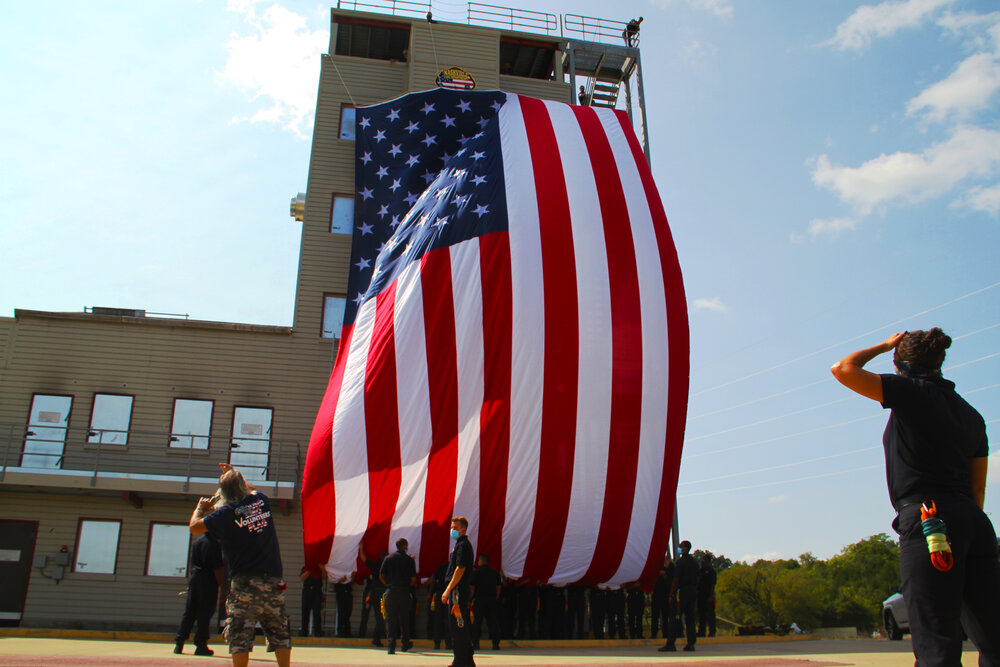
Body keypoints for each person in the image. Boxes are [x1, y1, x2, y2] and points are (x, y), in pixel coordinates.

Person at [831, 329, 999, 664]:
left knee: (936, 640)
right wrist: (964, 531)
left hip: (928, 520)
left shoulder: (909, 391)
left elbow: (843, 369)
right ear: (941, 362)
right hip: (975, 523)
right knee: (993, 636)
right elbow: (977, 487)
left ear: (898, 363)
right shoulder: (972, 415)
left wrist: (883, 344)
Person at [189, 463, 291, 667]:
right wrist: (235, 475)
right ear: (243, 486)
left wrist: (200, 509)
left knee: (240, 635)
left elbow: (194, 527)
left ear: (223, 492)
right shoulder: (261, 501)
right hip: (273, 579)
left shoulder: (225, 513)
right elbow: (249, 489)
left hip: (244, 582)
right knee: (279, 631)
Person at [174, 533, 224, 656]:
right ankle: (201, 644)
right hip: (208, 580)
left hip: (195, 577)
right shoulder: (215, 543)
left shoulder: (198, 541)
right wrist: (223, 587)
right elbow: (217, 567)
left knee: (190, 610)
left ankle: (179, 642)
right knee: (205, 612)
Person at [441, 516, 475, 667]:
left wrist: (448, 590)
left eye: (455, 528)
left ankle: (460, 660)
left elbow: (460, 568)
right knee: (461, 625)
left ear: (463, 529)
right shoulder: (460, 545)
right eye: (452, 528)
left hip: (457, 591)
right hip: (457, 591)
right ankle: (467, 660)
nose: (452, 530)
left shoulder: (463, 546)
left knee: (457, 626)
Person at [380, 537, 416, 655]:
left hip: (391, 590)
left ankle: (391, 646)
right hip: (404, 591)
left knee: (391, 619)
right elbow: (413, 579)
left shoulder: (388, 558)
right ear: (405, 546)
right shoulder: (409, 560)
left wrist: (389, 585)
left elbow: (381, 575)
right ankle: (405, 644)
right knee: (404, 618)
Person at [470, 553, 502, 650]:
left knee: (477, 622)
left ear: (481, 561)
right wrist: (495, 597)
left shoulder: (476, 573)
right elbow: (498, 588)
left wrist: (470, 599)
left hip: (479, 600)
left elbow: (472, 588)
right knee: (493, 622)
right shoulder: (495, 573)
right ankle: (495, 644)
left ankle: (476, 644)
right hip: (491, 600)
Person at [672, 541, 698, 652]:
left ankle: (672, 640)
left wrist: (671, 592)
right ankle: (691, 642)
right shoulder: (694, 562)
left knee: (677, 615)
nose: (679, 549)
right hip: (693, 590)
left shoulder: (681, 562)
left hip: (683, 591)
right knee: (690, 618)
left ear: (686, 548)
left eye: (680, 547)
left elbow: (676, 578)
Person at [360, 544, 387, 647]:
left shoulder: (375, 565)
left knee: (369, 613)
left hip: (373, 592)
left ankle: (363, 634)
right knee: (381, 616)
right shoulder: (387, 567)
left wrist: (361, 548)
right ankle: (377, 637)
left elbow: (364, 559)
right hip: (382, 593)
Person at [299, 563, 325, 637]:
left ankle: (317, 632)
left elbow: (324, 577)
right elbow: (302, 578)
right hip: (307, 590)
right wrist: (310, 570)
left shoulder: (320, 568)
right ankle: (304, 632)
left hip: (317, 590)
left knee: (317, 612)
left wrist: (322, 568)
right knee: (305, 612)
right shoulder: (305, 567)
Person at [651, 555, 673, 639]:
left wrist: (665, 574)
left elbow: (671, 579)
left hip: (665, 595)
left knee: (665, 616)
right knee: (655, 616)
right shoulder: (655, 569)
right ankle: (654, 633)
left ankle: (665, 633)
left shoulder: (669, 570)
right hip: (656, 595)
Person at [697, 555, 717, 637]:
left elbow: (712, 584)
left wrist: (711, 596)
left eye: (704, 559)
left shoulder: (711, 571)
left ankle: (712, 631)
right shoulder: (701, 570)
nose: (703, 561)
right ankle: (701, 631)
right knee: (701, 614)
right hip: (701, 595)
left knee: (710, 614)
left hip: (709, 594)